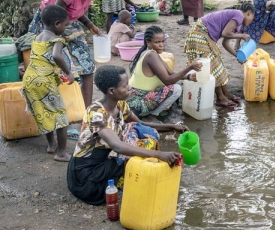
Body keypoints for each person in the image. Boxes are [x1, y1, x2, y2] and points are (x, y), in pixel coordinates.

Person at [67, 65, 186, 205]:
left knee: (139, 130)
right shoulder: (96, 113)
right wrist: (159, 155)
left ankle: (129, 175)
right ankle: (124, 180)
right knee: (136, 143)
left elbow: (141, 124)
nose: (129, 88)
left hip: (104, 158)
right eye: (125, 85)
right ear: (112, 91)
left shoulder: (121, 105)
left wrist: (171, 127)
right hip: (88, 175)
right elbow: (117, 146)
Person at [28, 0, 117, 109]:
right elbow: (54, 21)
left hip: (67, 23)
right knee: (56, 67)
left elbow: (76, 10)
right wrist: (58, 44)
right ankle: (56, 109)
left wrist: (90, 24)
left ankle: (86, 112)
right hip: (50, 26)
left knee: (88, 66)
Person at [21, 5, 75, 162]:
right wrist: (68, 72)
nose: (65, 28)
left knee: (43, 112)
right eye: (65, 25)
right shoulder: (56, 39)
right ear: (57, 23)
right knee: (60, 117)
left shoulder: (37, 37)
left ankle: (52, 145)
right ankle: (62, 153)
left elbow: (40, 59)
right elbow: (56, 56)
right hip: (43, 81)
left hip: (30, 79)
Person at [184, 3, 255, 108]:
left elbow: (225, 43)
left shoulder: (238, 24)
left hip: (205, 36)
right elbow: (225, 33)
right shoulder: (239, 15)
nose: (250, 22)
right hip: (199, 33)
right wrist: (242, 36)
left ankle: (225, 93)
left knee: (218, 64)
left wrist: (238, 56)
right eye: (252, 19)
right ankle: (220, 98)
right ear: (249, 13)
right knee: (211, 65)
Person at [127, 26, 202, 122]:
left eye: (163, 41)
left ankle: (152, 112)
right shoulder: (151, 55)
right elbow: (167, 80)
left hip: (134, 99)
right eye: (157, 42)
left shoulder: (150, 53)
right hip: (136, 104)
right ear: (148, 42)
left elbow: (170, 73)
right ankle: (151, 116)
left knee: (175, 84)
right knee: (176, 88)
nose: (161, 45)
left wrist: (188, 77)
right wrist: (189, 67)